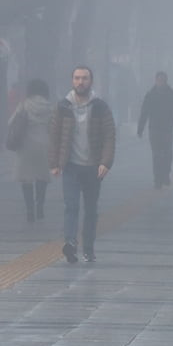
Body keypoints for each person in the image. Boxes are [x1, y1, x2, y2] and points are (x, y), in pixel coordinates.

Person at [49, 65, 116, 263]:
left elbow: (109, 136)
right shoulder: (63, 106)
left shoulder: (100, 107)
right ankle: (70, 243)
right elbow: (54, 135)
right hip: (70, 166)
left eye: (84, 78)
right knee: (71, 206)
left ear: (91, 81)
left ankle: (88, 248)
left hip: (94, 167)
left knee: (91, 209)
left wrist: (106, 162)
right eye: (77, 78)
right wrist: (54, 163)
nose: (80, 82)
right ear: (72, 81)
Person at [8, 78, 53, 222]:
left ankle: (29, 210)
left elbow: (11, 122)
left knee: (26, 178)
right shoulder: (49, 107)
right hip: (44, 145)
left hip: (26, 146)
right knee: (42, 177)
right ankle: (40, 206)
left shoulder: (24, 105)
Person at [137, 71, 173, 188]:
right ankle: (157, 179)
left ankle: (166, 174)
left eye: (163, 80)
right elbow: (144, 112)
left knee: (167, 153)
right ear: (156, 80)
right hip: (154, 129)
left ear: (166, 81)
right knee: (156, 155)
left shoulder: (172, 94)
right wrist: (140, 128)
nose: (161, 82)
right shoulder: (150, 95)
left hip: (167, 129)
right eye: (159, 80)